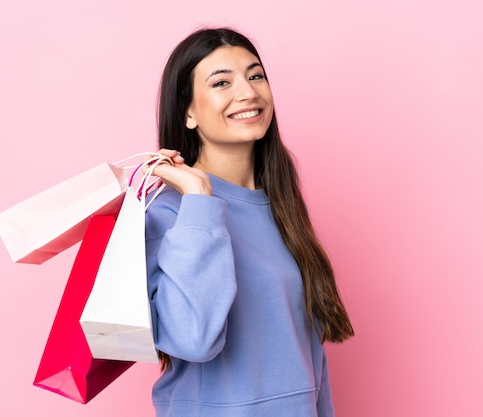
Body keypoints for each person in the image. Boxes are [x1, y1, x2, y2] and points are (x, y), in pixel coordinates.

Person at [144, 27, 354, 417]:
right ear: (187, 111)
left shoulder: (282, 206)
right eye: (222, 82)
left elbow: (310, 362)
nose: (248, 92)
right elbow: (194, 339)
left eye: (255, 75)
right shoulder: (170, 212)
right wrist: (198, 199)